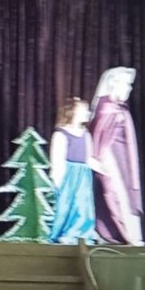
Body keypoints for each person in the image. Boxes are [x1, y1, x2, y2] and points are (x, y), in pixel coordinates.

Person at [90, 67, 144, 245]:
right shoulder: (107, 108)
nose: (129, 88)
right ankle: (124, 233)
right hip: (111, 160)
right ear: (114, 84)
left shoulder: (119, 108)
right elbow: (99, 137)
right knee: (116, 195)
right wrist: (99, 160)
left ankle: (130, 233)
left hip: (123, 159)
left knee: (125, 195)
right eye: (126, 84)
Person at [48, 97, 100, 244]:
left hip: (83, 176)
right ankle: (65, 233)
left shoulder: (85, 134)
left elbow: (89, 158)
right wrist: (56, 178)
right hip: (68, 175)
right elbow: (57, 159)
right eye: (84, 110)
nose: (87, 113)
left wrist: (102, 169)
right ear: (72, 112)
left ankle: (81, 234)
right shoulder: (61, 134)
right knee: (66, 204)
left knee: (83, 205)